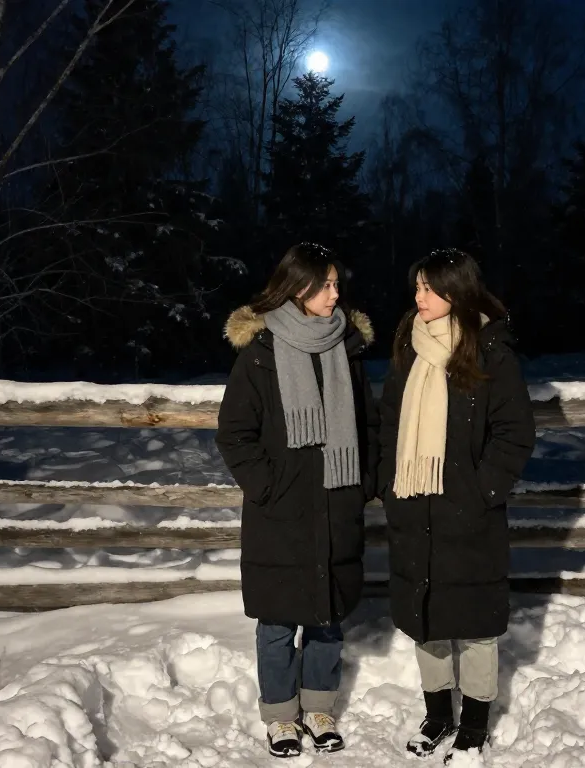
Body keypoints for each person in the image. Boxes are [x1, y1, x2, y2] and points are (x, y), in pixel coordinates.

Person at [215, 243, 378, 758]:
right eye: (325, 284)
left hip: (336, 502)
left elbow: (369, 426)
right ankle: (282, 716)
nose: (335, 294)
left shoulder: (347, 348)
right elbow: (235, 433)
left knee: (327, 616)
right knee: (277, 620)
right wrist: (268, 486)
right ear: (296, 287)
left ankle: (320, 707)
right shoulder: (260, 354)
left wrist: (362, 483)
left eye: (336, 284)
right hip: (279, 512)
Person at [378, 248, 536, 761]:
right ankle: (438, 714)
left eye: (428, 288)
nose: (418, 297)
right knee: (425, 617)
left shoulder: (490, 351)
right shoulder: (409, 346)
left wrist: (481, 490)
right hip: (413, 505)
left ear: (456, 291)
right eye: (417, 287)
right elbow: (388, 423)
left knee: (474, 624)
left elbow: (514, 433)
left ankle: (474, 723)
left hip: (469, 515)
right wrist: (389, 483)